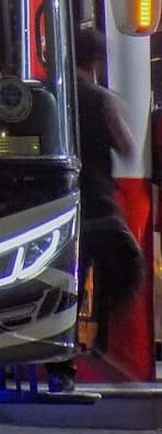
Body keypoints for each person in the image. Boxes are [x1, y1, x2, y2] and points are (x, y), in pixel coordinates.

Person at [46, 27, 144, 392]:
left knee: (65, 288)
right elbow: (126, 146)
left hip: (61, 213)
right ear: (98, 60)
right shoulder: (100, 99)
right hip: (99, 209)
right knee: (127, 266)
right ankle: (100, 341)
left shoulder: (53, 97)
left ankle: (61, 367)